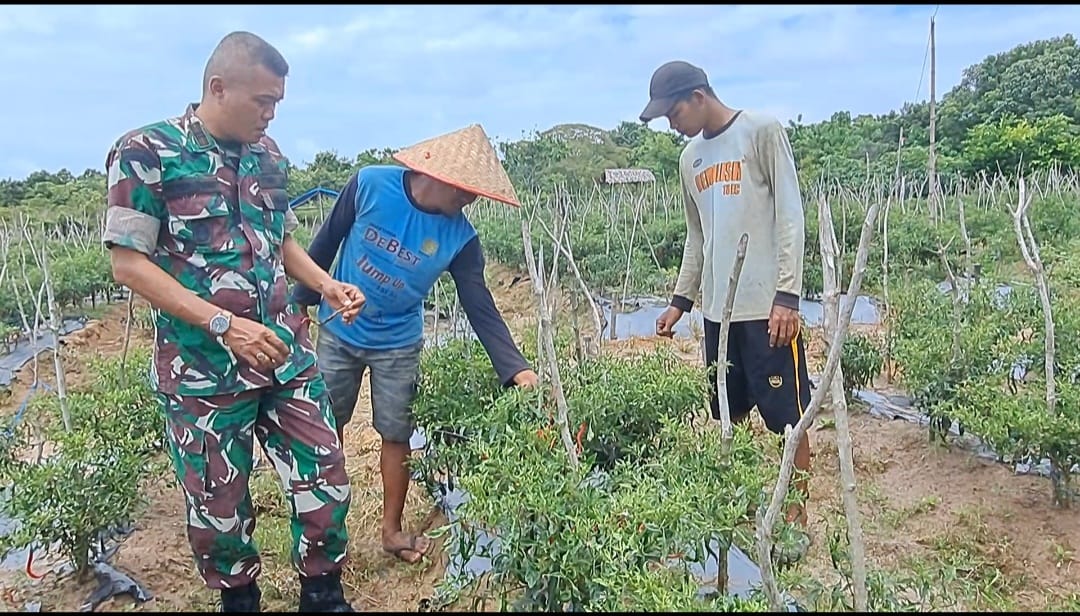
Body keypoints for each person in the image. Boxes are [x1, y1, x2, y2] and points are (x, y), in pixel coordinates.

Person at [102, 31, 363, 613]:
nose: (270, 115)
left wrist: (325, 284)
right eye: (262, 101)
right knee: (219, 500)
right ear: (218, 88)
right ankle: (239, 598)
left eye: (278, 104)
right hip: (205, 368)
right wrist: (224, 326)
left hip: (285, 353)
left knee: (326, 474)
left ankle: (323, 593)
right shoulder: (148, 152)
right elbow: (128, 264)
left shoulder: (269, 158)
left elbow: (281, 238)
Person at [291, 124, 539, 565]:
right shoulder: (370, 184)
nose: (471, 201)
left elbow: (479, 305)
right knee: (328, 430)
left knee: (396, 434)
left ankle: (391, 531)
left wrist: (515, 368)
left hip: (398, 342)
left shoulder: (461, 238)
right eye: (466, 191)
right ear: (438, 175)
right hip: (340, 330)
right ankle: (325, 531)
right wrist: (299, 307)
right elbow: (325, 242)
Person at [641, 61, 812, 559]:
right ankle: (730, 501)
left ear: (698, 96)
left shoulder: (762, 132)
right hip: (718, 313)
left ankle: (798, 518)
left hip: (766, 310)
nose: (672, 125)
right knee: (726, 413)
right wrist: (680, 301)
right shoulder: (690, 159)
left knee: (789, 418)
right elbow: (698, 236)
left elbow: (790, 214)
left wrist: (787, 294)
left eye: (673, 113)